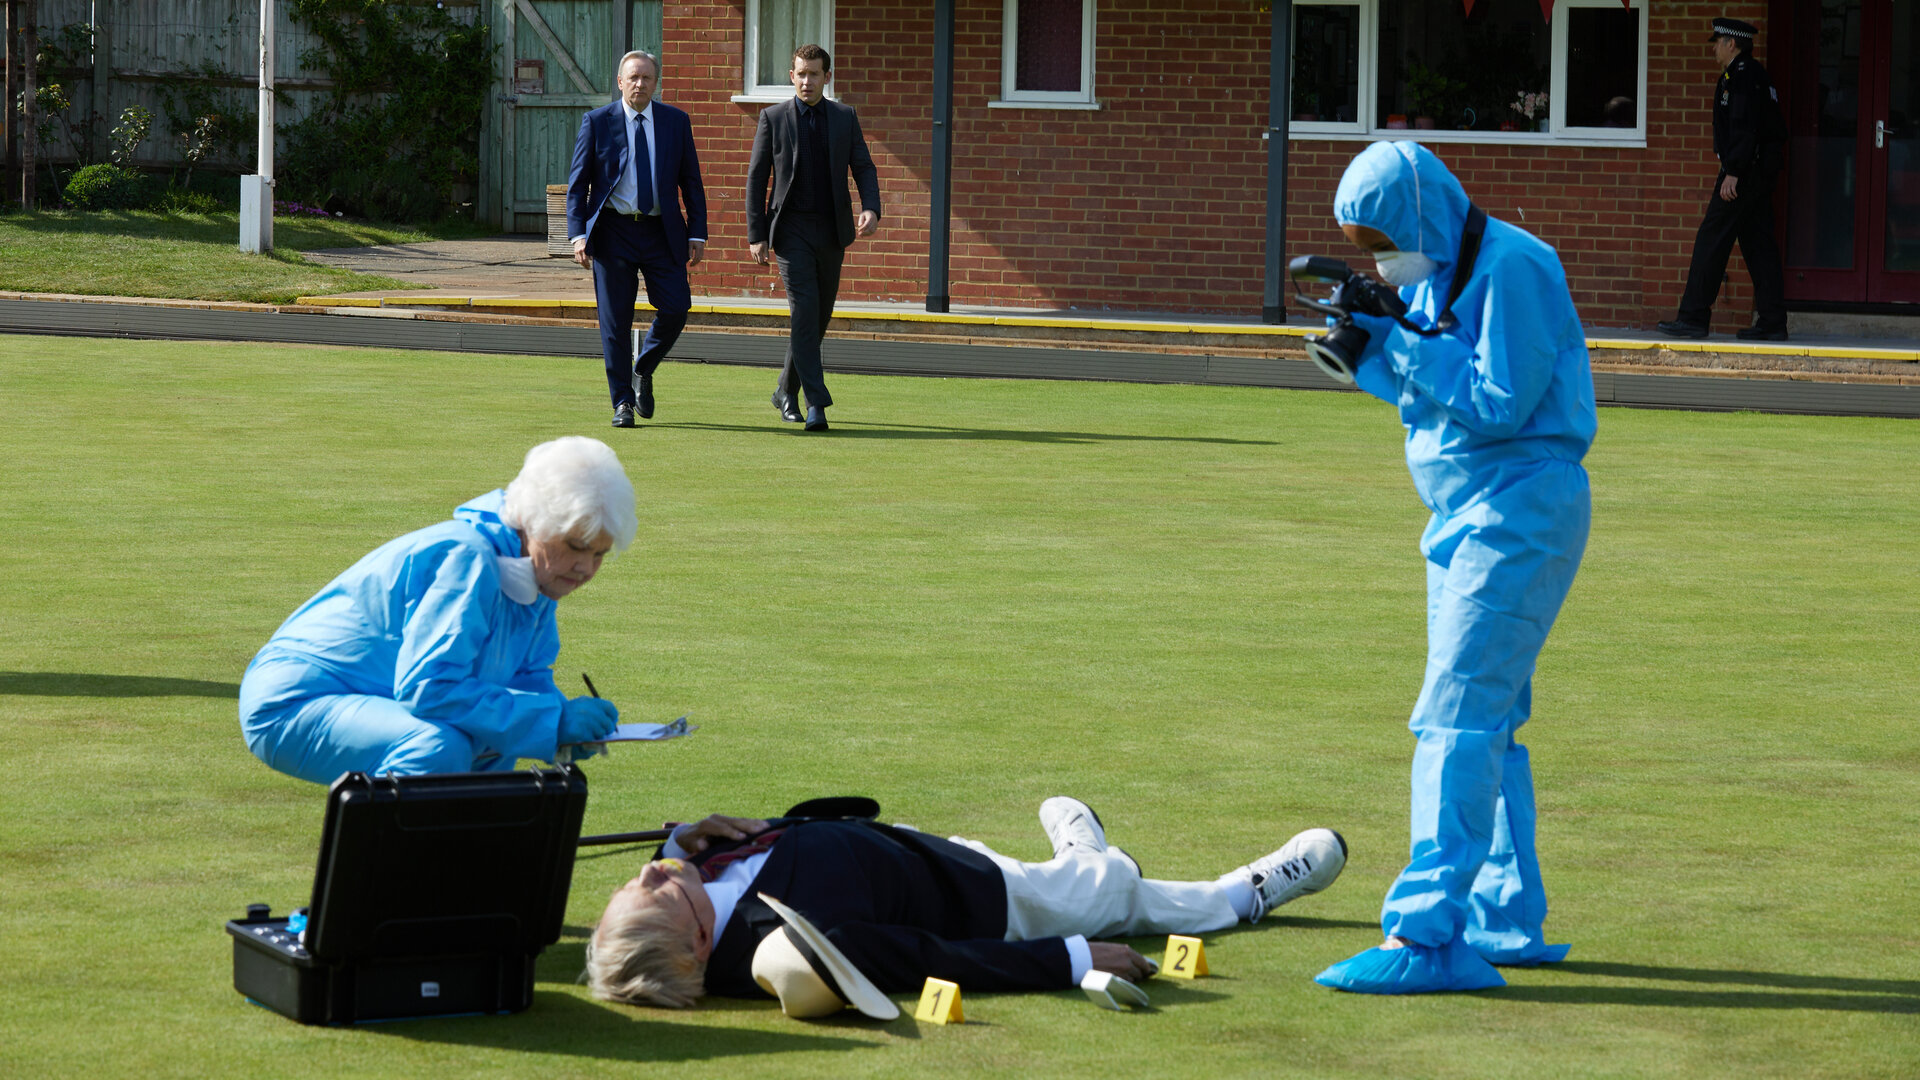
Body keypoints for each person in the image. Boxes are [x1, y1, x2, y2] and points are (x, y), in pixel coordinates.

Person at [1308, 142, 1595, 995]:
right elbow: (1433, 399)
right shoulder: (1436, 270)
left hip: (1519, 511)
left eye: (1380, 240)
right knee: (1491, 723)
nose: (1378, 259)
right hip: (1465, 514)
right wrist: (1368, 348)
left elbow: (1499, 404)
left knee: (1455, 718)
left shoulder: (1517, 267)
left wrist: (1401, 341)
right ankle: (1505, 920)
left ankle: (1427, 936)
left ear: (1421, 214)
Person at [584, 797, 1347, 1009]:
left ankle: (1081, 854)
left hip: (928, 855)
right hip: (983, 903)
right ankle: (1243, 895)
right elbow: (927, 960)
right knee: (1117, 894)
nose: (649, 873)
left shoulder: (689, 876)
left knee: (1077, 878)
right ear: (694, 947)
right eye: (654, 891)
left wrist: (685, 837)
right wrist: (1071, 959)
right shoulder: (780, 948)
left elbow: (670, 862)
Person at [238, 437, 637, 783]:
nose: (586, 568)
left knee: (496, 733)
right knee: (438, 743)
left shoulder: (539, 576)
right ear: (533, 523)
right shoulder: (467, 557)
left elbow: (526, 678)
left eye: (600, 554)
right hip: (293, 701)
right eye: (575, 547)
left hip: (362, 695)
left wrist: (562, 723)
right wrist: (551, 721)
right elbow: (428, 687)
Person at [567, 50, 709, 428]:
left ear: (655, 82)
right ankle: (622, 404)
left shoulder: (675, 122)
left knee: (677, 307)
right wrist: (578, 234)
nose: (640, 84)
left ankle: (643, 367)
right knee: (614, 322)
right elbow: (578, 183)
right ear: (620, 82)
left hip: (662, 232)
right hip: (613, 232)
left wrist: (697, 232)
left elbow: (691, 181)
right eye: (633, 78)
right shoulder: (597, 122)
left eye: (646, 78)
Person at [746, 44, 882, 433]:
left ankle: (784, 389)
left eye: (814, 74)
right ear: (792, 76)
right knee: (804, 311)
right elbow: (757, 179)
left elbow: (864, 166)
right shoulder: (772, 118)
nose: (807, 81)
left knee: (818, 318)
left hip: (831, 231)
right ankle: (815, 403)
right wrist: (757, 234)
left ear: (827, 77)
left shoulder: (843, 117)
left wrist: (870, 207)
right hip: (789, 233)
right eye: (801, 74)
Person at [1657, 17, 1789, 342]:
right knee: (1759, 247)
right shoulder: (1753, 75)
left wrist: (1733, 171)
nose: (1714, 47)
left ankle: (1692, 317)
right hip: (1756, 173)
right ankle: (1773, 321)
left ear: (1732, 43)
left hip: (1742, 174)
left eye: (1718, 41)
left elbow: (1745, 127)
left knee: (1711, 240)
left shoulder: (1742, 77)